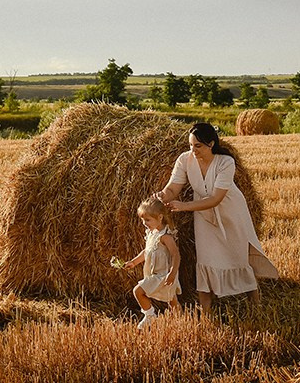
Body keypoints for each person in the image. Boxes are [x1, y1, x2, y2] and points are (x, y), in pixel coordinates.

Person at [159, 122, 277, 312]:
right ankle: (206, 311)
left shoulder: (225, 162)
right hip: (203, 215)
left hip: (231, 212)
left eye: (198, 146)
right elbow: (173, 187)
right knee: (205, 260)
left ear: (211, 144)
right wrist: (162, 196)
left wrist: (184, 206)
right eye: (190, 145)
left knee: (239, 258)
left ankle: (256, 306)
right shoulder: (184, 160)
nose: (193, 150)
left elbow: (215, 198)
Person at [118, 195, 181, 329]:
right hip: (154, 275)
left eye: (148, 220)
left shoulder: (166, 236)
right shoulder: (152, 234)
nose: (144, 223)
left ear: (160, 217)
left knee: (168, 299)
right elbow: (146, 252)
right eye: (142, 220)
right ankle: (152, 316)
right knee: (170, 300)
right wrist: (134, 262)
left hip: (164, 275)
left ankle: (156, 317)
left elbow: (176, 255)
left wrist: (172, 273)